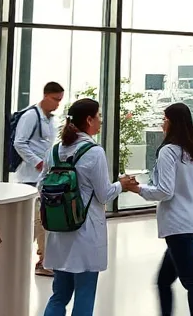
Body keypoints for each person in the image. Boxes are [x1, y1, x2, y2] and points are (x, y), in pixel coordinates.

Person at [41, 98, 138, 316]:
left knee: (59, 296)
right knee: (85, 294)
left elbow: (41, 186)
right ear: (89, 119)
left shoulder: (54, 151)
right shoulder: (94, 152)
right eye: (99, 116)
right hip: (85, 233)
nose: (101, 121)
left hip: (58, 231)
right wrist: (121, 185)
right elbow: (104, 195)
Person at [128, 103, 193, 316]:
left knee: (191, 281)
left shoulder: (168, 151)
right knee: (163, 280)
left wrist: (137, 188)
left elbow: (164, 191)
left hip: (178, 226)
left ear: (172, 122)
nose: (162, 123)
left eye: (164, 119)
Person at [13, 81, 65, 277]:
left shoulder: (50, 119)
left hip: (44, 177)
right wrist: (37, 163)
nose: (57, 104)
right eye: (55, 99)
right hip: (29, 176)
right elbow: (20, 143)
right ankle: (34, 258)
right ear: (45, 96)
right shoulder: (30, 116)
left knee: (43, 219)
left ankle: (43, 259)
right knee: (37, 220)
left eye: (60, 100)